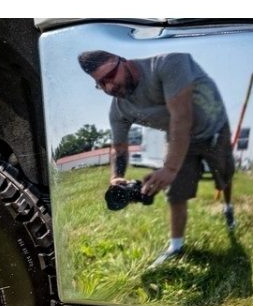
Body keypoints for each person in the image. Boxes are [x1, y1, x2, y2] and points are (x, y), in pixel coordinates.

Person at [78, 50, 236, 267]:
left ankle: (228, 207)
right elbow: (119, 148)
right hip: (179, 138)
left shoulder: (168, 63)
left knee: (224, 176)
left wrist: (170, 168)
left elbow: (182, 116)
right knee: (176, 194)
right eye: (100, 84)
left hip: (214, 128)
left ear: (124, 61)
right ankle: (176, 246)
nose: (109, 88)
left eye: (111, 76)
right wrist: (116, 177)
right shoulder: (118, 110)